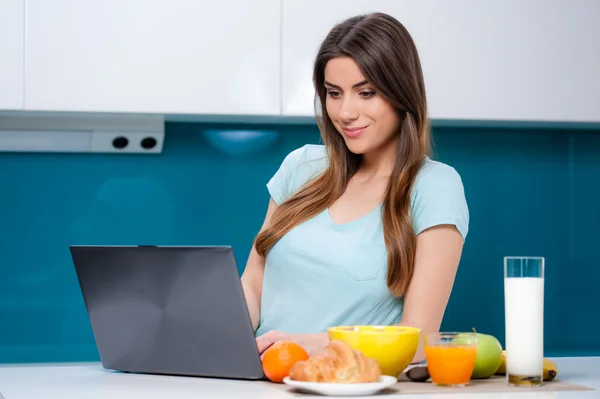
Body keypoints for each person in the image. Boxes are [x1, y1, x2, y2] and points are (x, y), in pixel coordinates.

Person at [240, 12, 469, 363]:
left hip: (349, 385)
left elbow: (422, 338)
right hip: (263, 380)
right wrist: (221, 337)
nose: (346, 112)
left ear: (401, 93)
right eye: (334, 93)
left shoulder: (435, 187)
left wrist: (321, 344)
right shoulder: (300, 167)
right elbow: (254, 283)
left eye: (366, 93)